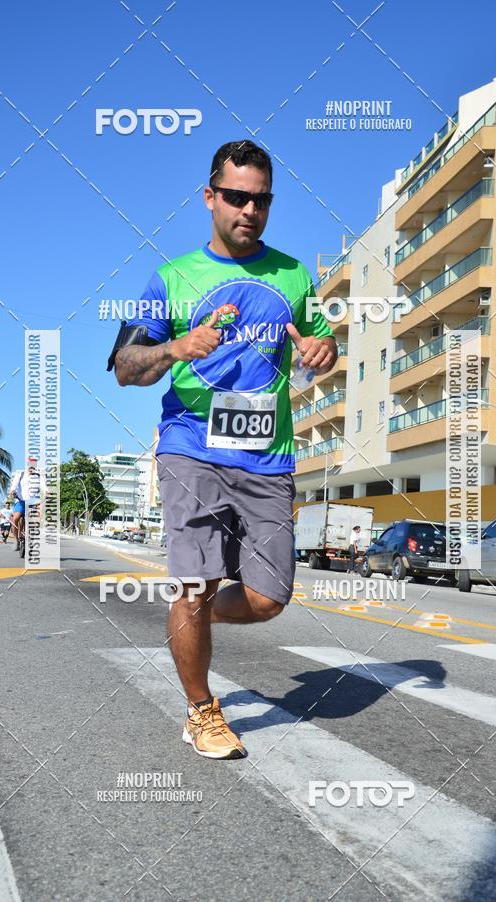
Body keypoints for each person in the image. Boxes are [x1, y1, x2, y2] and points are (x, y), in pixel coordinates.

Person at [108, 140, 337, 759]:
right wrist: (174, 349)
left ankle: (195, 618)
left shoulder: (294, 275)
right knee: (195, 583)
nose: (249, 210)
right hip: (191, 448)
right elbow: (124, 366)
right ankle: (202, 710)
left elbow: (319, 344)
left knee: (268, 599)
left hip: (267, 455)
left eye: (261, 200)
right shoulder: (172, 277)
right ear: (210, 197)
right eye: (236, 197)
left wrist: (324, 352)